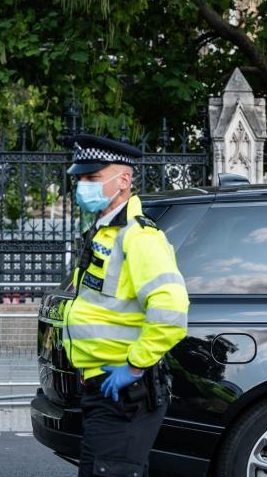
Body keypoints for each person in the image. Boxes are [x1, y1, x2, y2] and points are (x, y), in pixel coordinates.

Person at [62, 134, 189, 477]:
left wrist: (133, 367)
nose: (82, 186)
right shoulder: (103, 233)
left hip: (124, 390)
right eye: (80, 179)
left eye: (92, 178)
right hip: (101, 386)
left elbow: (172, 312)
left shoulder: (141, 237)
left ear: (124, 181)